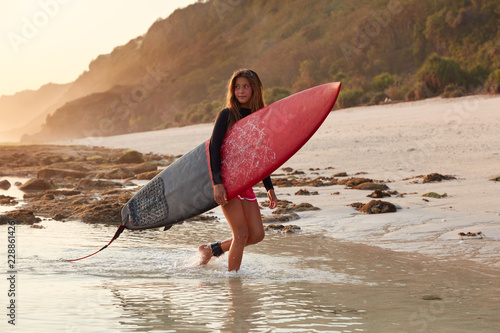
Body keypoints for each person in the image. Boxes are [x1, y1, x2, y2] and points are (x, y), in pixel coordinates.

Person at [198, 69, 278, 271]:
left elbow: (260, 155)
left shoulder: (260, 118)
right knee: (241, 234)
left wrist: (269, 187)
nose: (240, 91)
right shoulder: (227, 115)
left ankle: (211, 249)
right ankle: (233, 283)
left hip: (246, 182)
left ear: (255, 89)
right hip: (227, 181)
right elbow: (214, 149)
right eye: (236, 87)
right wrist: (217, 183)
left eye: (245, 86)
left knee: (256, 235)